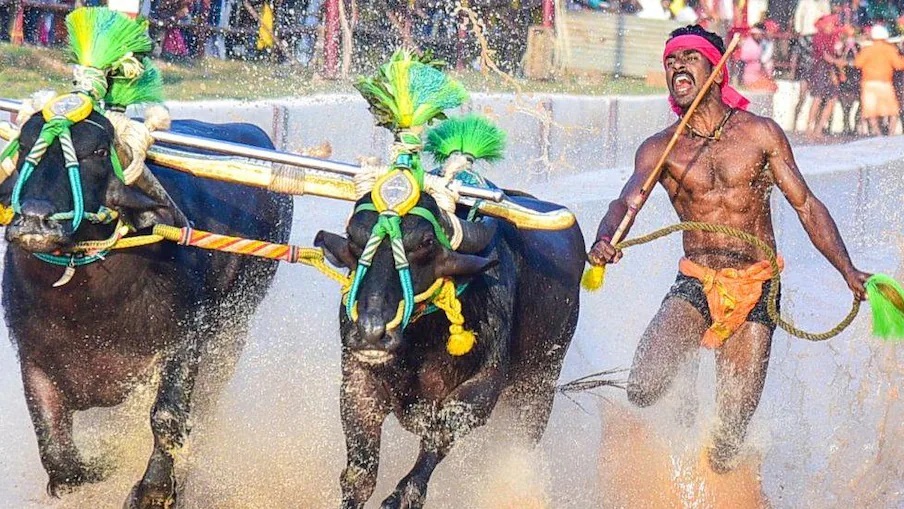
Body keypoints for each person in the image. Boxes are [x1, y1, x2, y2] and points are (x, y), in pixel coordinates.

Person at [588, 24, 870, 473]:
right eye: (670, 61)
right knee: (642, 386)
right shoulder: (661, 149)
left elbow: (806, 205)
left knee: (727, 436)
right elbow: (626, 202)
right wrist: (607, 238)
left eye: (689, 58)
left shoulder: (760, 134)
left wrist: (847, 271)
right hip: (697, 281)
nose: (677, 66)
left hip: (757, 287)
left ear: (716, 70)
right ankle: (685, 383)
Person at [854, 23, 904, 135]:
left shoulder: (867, 49)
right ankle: (890, 134)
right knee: (893, 111)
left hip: (868, 83)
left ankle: (878, 134)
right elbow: (899, 65)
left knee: (870, 111)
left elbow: (857, 63)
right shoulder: (889, 49)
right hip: (885, 83)